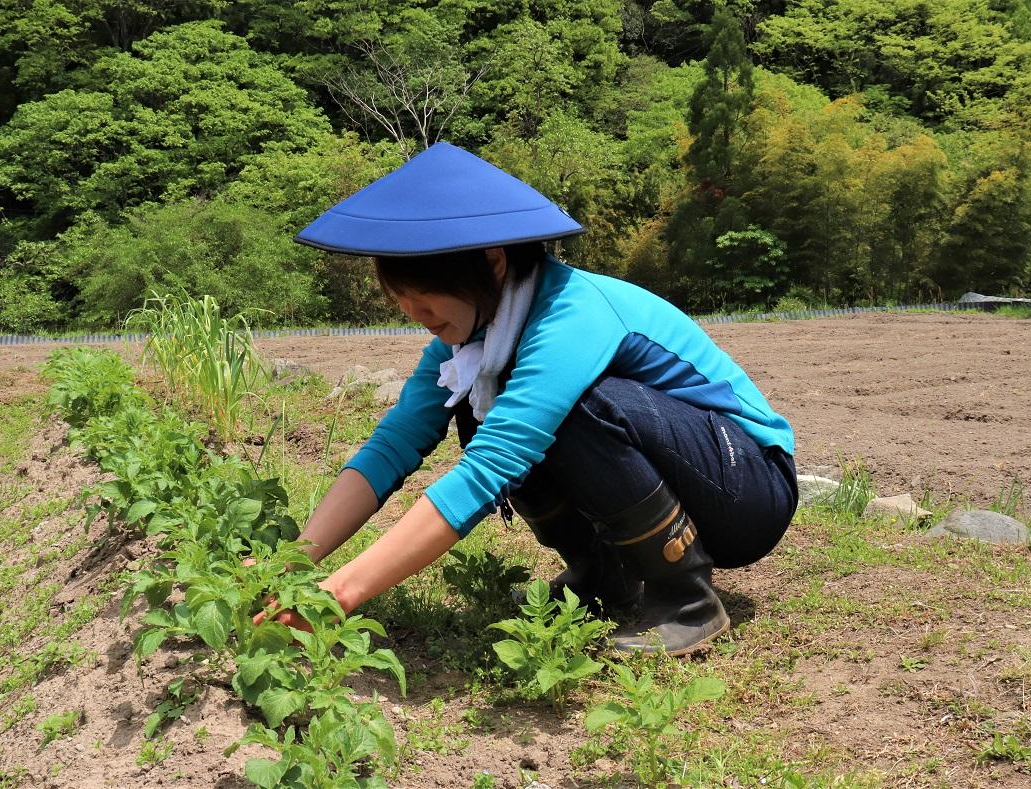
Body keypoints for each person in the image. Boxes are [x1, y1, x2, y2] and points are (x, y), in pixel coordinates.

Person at [263, 142, 797, 654]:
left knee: (581, 409)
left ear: (494, 262)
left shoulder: (572, 313)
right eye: (404, 304)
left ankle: (687, 602)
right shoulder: (475, 343)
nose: (418, 319)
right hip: (701, 481)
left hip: (746, 492)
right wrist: (293, 561)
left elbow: (490, 468)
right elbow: (395, 443)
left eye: (426, 304)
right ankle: (604, 578)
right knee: (476, 408)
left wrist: (341, 594)